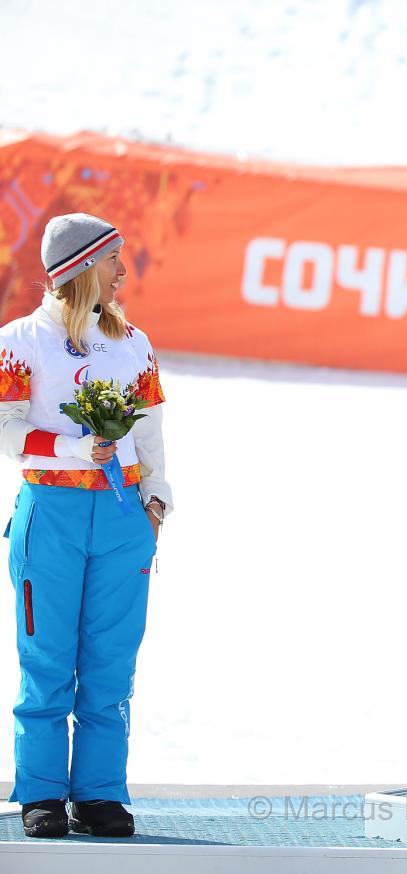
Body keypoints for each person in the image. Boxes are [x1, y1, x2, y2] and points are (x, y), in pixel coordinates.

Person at [0, 213, 173, 837]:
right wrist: (75, 450)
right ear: (77, 269)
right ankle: (42, 791)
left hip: (123, 514)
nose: (123, 271)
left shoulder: (134, 343)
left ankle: (99, 793)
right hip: (51, 512)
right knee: (46, 657)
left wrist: (156, 501)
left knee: (111, 660)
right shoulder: (20, 339)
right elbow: (7, 427)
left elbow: (150, 427)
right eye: (112, 260)